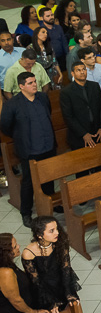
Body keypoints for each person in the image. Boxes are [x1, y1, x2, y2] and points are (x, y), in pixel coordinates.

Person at [0, 74, 56, 227]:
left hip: (48, 145)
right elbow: (5, 126)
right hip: (30, 149)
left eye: (35, 81)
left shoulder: (42, 98)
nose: (34, 84)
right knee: (28, 182)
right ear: (21, 86)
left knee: (49, 176)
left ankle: (51, 203)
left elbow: (48, 113)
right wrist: (19, 136)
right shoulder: (12, 104)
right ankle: (26, 212)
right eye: (30, 83)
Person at [0, 233, 60, 313]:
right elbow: (15, 300)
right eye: (14, 246)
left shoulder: (8, 265)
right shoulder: (5, 272)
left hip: (20, 311)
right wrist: (33, 312)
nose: (18, 246)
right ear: (6, 253)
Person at [21, 217, 80, 313]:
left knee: (73, 307)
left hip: (61, 284)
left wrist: (69, 292)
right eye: (51, 231)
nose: (57, 233)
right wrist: (51, 302)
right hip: (43, 291)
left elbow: (66, 269)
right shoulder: (28, 253)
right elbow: (36, 282)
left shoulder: (60, 243)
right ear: (39, 235)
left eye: (57, 229)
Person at [59, 62, 101, 150]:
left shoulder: (94, 86)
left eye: (84, 69)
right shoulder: (66, 92)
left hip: (97, 132)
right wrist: (83, 133)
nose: (82, 72)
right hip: (79, 136)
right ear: (72, 73)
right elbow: (68, 117)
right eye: (78, 70)